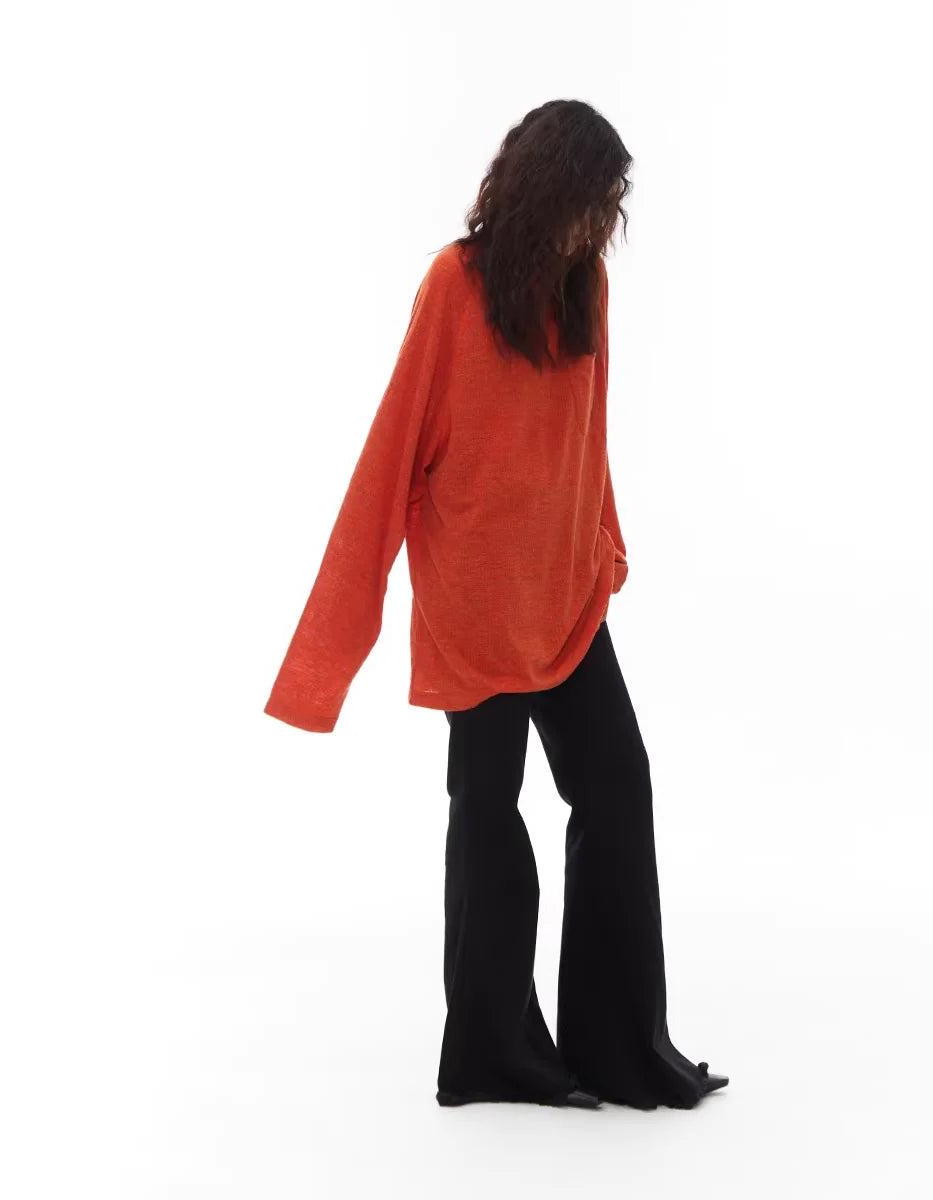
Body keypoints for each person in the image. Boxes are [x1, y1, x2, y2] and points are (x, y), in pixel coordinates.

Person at [263, 99, 728, 1110]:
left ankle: (618, 1046)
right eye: (589, 199)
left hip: (563, 594)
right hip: (474, 602)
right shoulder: (455, 284)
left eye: (611, 204)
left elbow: (586, 433)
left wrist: (604, 542)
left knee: (617, 788)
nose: (599, 222)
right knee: (488, 811)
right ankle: (493, 1053)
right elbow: (392, 450)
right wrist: (327, 654)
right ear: (543, 187)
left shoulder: (587, 286)